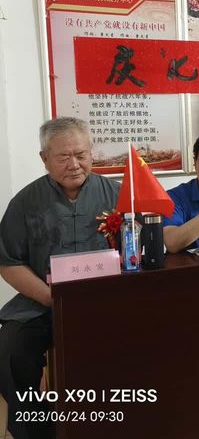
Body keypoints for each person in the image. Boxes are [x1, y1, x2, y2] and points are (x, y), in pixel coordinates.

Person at [0, 117, 120, 439]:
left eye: (81, 154)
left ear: (92, 153)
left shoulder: (118, 194)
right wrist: (49, 296)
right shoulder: (25, 202)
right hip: (43, 301)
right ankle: (36, 431)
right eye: (64, 157)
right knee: (11, 349)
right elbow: (8, 262)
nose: (74, 164)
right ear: (44, 158)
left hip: (106, 302)